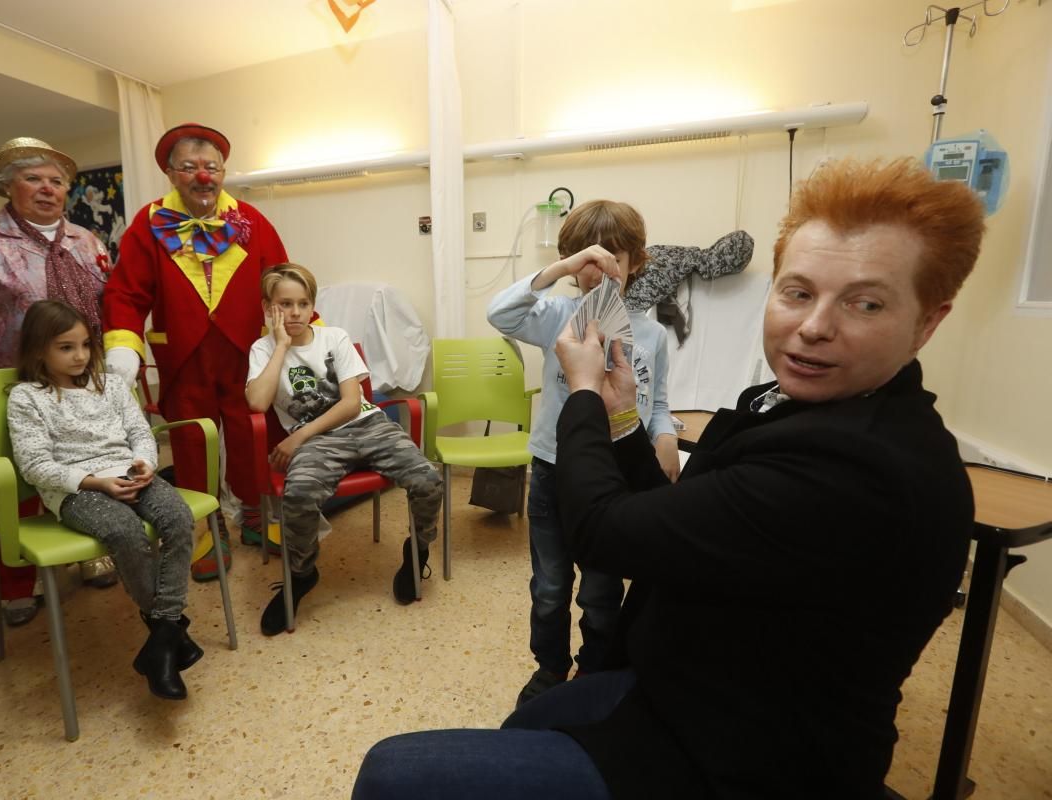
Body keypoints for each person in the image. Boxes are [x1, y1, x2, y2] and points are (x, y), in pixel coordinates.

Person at [352, 157, 986, 800]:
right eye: (797, 291)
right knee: (535, 681)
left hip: (731, 753)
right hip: (679, 682)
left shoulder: (856, 470)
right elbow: (678, 519)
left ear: (928, 321)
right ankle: (555, 669)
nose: (814, 326)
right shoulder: (781, 405)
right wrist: (619, 411)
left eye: (867, 302)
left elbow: (605, 530)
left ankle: (586, 670)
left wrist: (588, 398)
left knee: (392, 774)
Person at [487, 200, 678, 708]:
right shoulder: (555, 316)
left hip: (613, 473)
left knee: (600, 589)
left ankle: (595, 667)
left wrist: (664, 437)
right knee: (549, 585)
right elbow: (499, 313)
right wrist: (562, 268)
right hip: (552, 467)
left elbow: (655, 402)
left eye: (610, 255)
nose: (597, 269)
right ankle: (549, 666)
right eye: (585, 258)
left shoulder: (653, 333)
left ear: (635, 260)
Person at [0, 137, 117, 627]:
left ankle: (92, 552)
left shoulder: (87, 241)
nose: (47, 189)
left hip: (85, 378)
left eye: (57, 181)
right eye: (33, 178)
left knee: (93, 463)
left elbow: (109, 305)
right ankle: (15, 583)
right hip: (15, 387)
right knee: (17, 487)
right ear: (7, 186)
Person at [103, 123, 289, 582]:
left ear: (223, 172)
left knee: (254, 433)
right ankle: (205, 529)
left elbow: (282, 281)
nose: (202, 176)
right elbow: (125, 294)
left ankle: (253, 517)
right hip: (183, 355)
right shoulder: (148, 223)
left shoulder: (251, 220)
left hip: (245, 353)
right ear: (170, 174)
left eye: (211, 167)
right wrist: (125, 344)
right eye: (189, 167)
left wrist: (307, 338)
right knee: (190, 441)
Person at [7, 300, 198, 699]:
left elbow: (140, 432)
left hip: (129, 473)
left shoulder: (110, 384)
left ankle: (161, 640)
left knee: (178, 516)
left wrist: (145, 462)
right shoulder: (27, 397)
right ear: (38, 349)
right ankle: (171, 636)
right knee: (124, 530)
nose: (79, 356)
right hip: (77, 488)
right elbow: (35, 465)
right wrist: (95, 482)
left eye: (85, 345)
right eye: (65, 347)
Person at [245, 264, 443, 636]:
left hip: (366, 426)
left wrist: (296, 437)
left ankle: (417, 552)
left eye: (303, 303)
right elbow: (257, 402)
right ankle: (302, 574)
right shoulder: (262, 350)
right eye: (284, 304)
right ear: (268, 308)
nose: (295, 313)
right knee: (299, 495)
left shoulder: (334, 338)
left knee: (428, 480)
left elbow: (352, 403)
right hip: (319, 443)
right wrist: (281, 347)